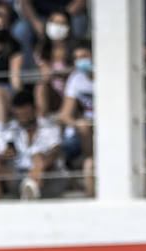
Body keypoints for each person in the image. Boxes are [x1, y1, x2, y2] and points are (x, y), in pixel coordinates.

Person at [1, 87, 61, 198]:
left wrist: (41, 165)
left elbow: (56, 152)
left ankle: (31, 186)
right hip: (19, 175)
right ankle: (30, 189)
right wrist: (6, 154)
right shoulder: (11, 128)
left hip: (49, 177)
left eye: (25, 115)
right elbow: (2, 153)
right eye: (19, 116)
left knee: (38, 156)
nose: (22, 119)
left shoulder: (49, 127)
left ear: (34, 109)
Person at [56, 42, 92, 193]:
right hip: (86, 129)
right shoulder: (76, 78)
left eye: (84, 56)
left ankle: (91, 163)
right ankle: (91, 160)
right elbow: (64, 114)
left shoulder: (109, 75)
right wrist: (77, 124)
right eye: (76, 58)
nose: (80, 61)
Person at [34, 8, 75, 118]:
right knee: (41, 87)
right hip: (52, 93)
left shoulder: (74, 49)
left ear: (69, 27)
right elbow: (46, 74)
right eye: (54, 22)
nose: (57, 27)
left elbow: (75, 75)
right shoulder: (41, 49)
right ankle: (43, 121)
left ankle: (64, 117)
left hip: (70, 93)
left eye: (62, 23)